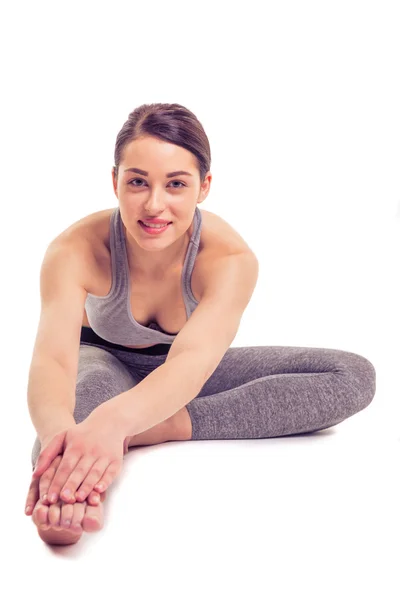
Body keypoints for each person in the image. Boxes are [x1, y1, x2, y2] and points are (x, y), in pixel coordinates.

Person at [24, 102, 376, 546]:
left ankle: (155, 429)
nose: (155, 205)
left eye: (175, 184)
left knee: (352, 375)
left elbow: (190, 362)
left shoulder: (229, 258)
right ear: (114, 182)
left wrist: (115, 425)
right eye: (137, 182)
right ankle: (64, 495)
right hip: (102, 358)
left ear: (203, 187)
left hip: (186, 377)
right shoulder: (74, 249)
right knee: (75, 418)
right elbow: (54, 362)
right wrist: (61, 440)